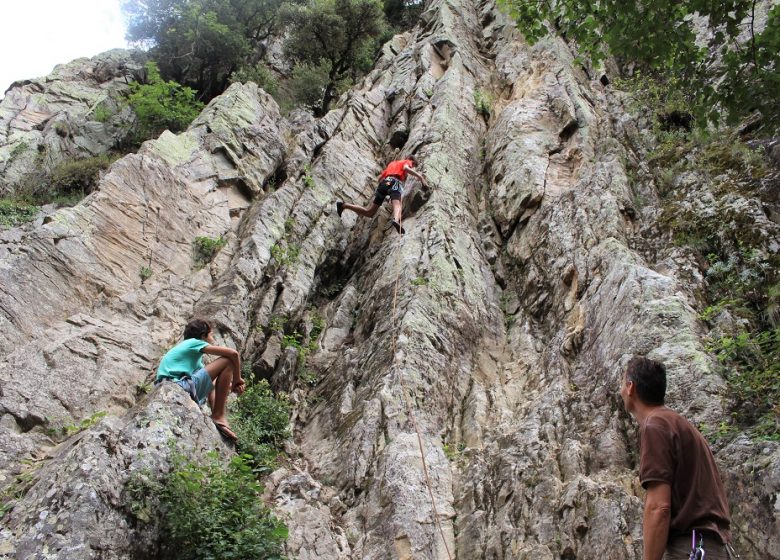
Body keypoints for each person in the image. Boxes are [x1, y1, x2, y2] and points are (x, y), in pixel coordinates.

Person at [619, 356, 737, 559]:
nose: (620, 391)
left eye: (622, 384)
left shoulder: (655, 426)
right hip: (711, 545)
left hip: (691, 548)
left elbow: (659, 507)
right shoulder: (678, 423)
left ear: (630, 387)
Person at [156, 318, 246, 441]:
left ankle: (217, 416)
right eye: (210, 333)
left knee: (212, 383)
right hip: (176, 386)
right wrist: (238, 378)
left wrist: (233, 387)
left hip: (174, 386)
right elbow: (233, 354)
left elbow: (213, 383)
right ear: (203, 336)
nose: (212, 336)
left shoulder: (193, 358)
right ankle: (219, 415)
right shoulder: (193, 342)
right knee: (228, 361)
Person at [336, 155, 428, 234]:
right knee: (397, 204)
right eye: (414, 165)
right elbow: (406, 168)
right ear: (412, 161)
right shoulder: (407, 161)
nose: (413, 167)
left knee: (370, 212)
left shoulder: (392, 164)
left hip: (384, 183)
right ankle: (396, 220)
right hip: (394, 182)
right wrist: (420, 177)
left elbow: (380, 178)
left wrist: (386, 194)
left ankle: (344, 205)